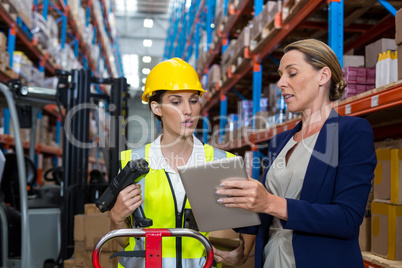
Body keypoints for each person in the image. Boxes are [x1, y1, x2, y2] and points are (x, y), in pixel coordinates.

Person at [214, 39, 377, 268]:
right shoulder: (280, 141)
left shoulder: (350, 132)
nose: (281, 82)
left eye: (291, 73)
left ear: (323, 76)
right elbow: (264, 210)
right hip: (273, 259)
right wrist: (243, 249)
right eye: (280, 75)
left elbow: (347, 219)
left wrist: (271, 203)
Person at [109, 58, 252, 268]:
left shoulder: (222, 163)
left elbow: (239, 235)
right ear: (157, 108)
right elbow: (123, 241)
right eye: (176, 102)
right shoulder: (132, 163)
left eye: (193, 101)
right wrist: (116, 218)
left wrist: (242, 252)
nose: (188, 111)